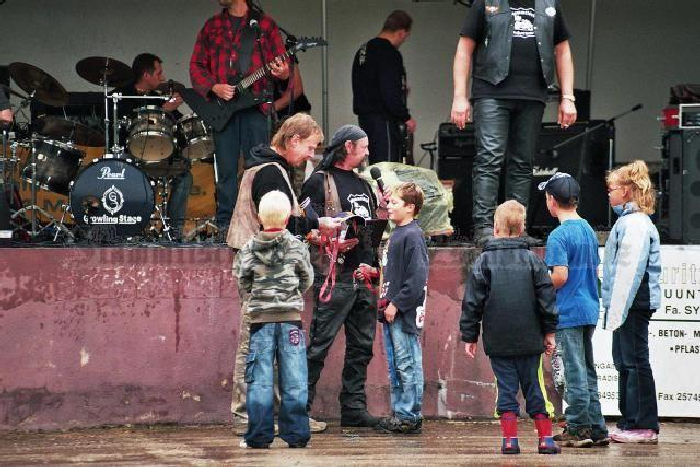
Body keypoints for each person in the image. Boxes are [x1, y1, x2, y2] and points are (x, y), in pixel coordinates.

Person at [226, 113, 342, 434]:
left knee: (266, 343)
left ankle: (267, 415)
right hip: (265, 267)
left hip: (259, 264)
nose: (311, 155)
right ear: (293, 140)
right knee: (257, 342)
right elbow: (278, 222)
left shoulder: (266, 167)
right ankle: (248, 416)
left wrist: (311, 226)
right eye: (310, 147)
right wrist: (316, 225)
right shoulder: (271, 172)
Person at [450, 0, 577, 246]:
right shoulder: (486, 2)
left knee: (522, 162)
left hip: (533, 94)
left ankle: (517, 228)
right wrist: (459, 96)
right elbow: (464, 49)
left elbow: (563, 51)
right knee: (489, 158)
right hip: (491, 91)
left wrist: (568, 97)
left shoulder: (549, 4)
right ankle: (485, 227)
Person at [460, 200, 560, 455]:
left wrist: (470, 336)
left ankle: (509, 441)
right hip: (530, 340)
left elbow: (472, 303)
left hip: (498, 341)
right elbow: (547, 300)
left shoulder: (483, 262)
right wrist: (549, 332)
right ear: (522, 228)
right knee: (535, 388)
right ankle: (546, 440)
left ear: (495, 228)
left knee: (505, 389)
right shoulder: (533, 261)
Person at [300, 125, 383, 428]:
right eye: (364, 146)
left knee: (362, 346)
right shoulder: (318, 181)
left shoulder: (364, 183)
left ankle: (354, 408)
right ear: (348, 147)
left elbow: (371, 227)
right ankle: (298, 410)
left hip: (364, 274)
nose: (368, 152)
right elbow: (306, 227)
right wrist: (329, 238)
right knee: (319, 345)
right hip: (335, 275)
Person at [190, 0, 290, 235]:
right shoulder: (212, 25)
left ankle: (261, 220)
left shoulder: (265, 25)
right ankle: (225, 223)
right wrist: (213, 87)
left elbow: (282, 67)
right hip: (223, 109)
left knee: (259, 167)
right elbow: (196, 65)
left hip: (255, 107)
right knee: (225, 170)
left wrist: (284, 72)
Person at [234, 190, 314, 449]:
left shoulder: (248, 249)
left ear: (259, 217)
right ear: (288, 219)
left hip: (260, 323)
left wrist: (256, 299)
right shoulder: (297, 247)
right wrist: (292, 296)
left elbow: (242, 281)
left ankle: (258, 436)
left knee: (259, 379)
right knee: (295, 379)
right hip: (291, 321)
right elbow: (307, 278)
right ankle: (296, 434)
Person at [539, 172, 609, 448]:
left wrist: (538, 284)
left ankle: (578, 427)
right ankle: (597, 426)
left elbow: (560, 276)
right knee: (587, 369)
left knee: (574, 370)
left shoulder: (559, 235)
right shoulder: (588, 229)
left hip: (568, 310)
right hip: (589, 307)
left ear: (552, 200)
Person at [602, 160, 661, 444]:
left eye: (612, 189)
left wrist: (617, 310)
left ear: (626, 190)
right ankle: (629, 420)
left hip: (633, 303)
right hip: (628, 303)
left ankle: (643, 424)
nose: (609, 193)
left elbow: (630, 270)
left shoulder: (635, 223)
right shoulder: (628, 221)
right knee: (625, 362)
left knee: (634, 362)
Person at [371, 182, 429, 435]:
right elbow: (395, 272)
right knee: (396, 364)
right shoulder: (398, 234)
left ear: (410, 207)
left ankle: (410, 415)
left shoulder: (412, 235)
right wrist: (374, 274)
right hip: (390, 310)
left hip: (402, 313)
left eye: (394, 202)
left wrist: (396, 303)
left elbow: (417, 278)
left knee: (407, 363)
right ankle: (400, 412)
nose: (389, 206)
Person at [113, 53, 191, 240]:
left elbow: (180, 125)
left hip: (156, 158)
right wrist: (165, 109)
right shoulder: (121, 95)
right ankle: (133, 227)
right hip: (129, 158)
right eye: (159, 73)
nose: (163, 78)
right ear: (146, 75)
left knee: (185, 175)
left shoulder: (157, 97)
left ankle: (174, 231)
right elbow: (118, 130)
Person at [352, 10, 416, 165]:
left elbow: (365, 83)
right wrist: (405, 116)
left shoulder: (363, 50)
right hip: (383, 119)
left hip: (365, 118)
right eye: (406, 36)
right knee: (386, 166)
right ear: (401, 32)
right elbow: (389, 90)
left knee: (374, 163)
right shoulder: (389, 53)